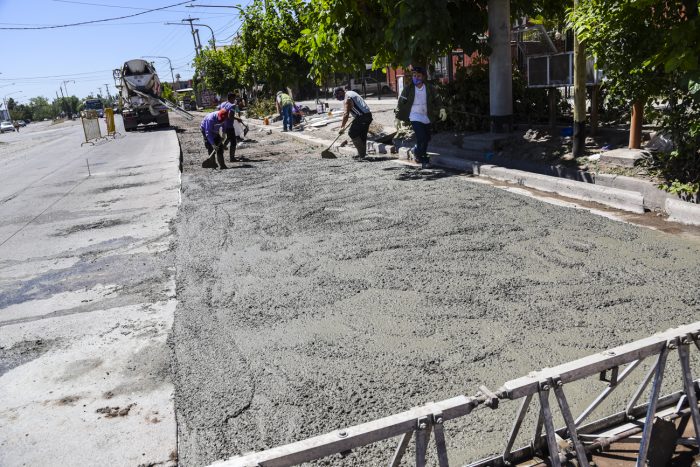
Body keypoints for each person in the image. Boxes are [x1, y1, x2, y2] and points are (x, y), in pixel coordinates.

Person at [395, 66, 447, 168]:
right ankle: (422, 158)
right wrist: (397, 117)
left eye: (418, 76)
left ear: (423, 77)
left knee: (427, 138)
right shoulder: (408, 89)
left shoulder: (430, 88)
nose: (416, 77)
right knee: (421, 137)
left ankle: (416, 151)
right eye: (414, 75)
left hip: (426, 115)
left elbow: (437, 99)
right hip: (414, 116)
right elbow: (401, 103)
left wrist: (442, 109)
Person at [334, 86, 373, 159]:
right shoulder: (351, 92)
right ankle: (362, 155)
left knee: (352, 133)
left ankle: (361, 154)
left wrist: (342, 127)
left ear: (340, 92)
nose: (337, 98)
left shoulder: (347, 98)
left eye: (337, 96)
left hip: (362, 117)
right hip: (368, 115)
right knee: (361, 135)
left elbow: (346, 114)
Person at [217, 92, 247, 162]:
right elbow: (230, 116)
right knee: (233, 141)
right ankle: (232, 158)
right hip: (229, 125)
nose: (235, 100)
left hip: (223, 124)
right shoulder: (232, 105)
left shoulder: (223, 104)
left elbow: (219, 111)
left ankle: (224, 146)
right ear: (231, 98)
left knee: (229, 137)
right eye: (234, 98)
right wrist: (238, 119)